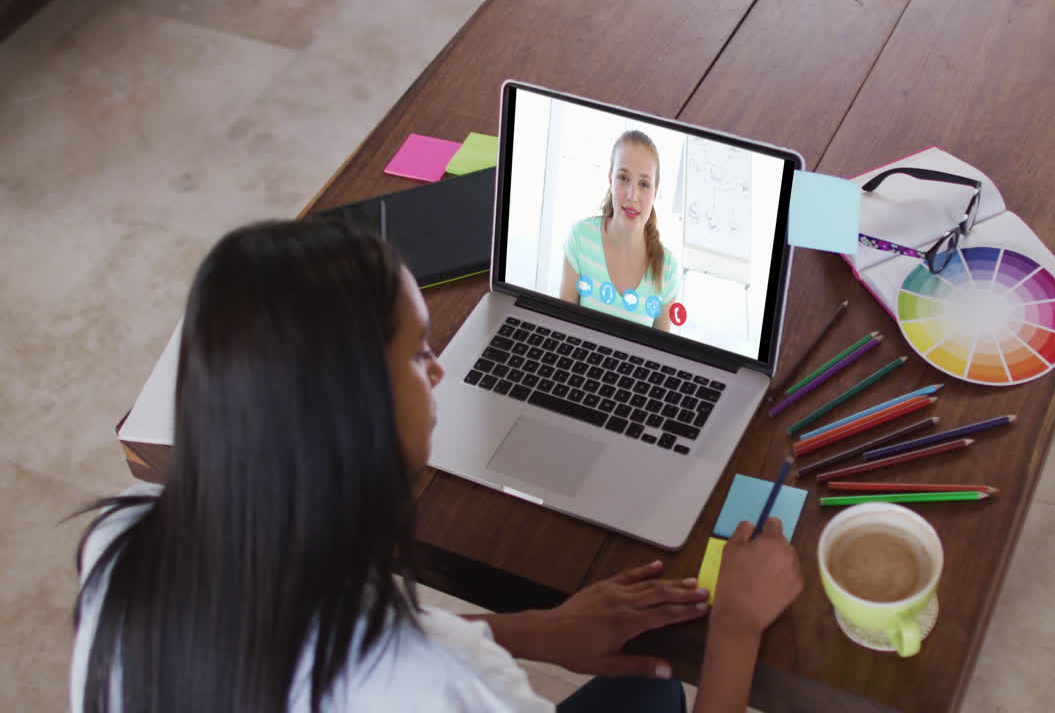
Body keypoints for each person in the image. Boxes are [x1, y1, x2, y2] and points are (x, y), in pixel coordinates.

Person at [71, 219, 802, 713]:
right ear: (358, 414)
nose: (442, 373)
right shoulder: (443, 687)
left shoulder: (123, 546)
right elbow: (411, 668)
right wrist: (735, 626)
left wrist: (534, 631)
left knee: (645, 692)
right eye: (421, 354)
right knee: (661, 690)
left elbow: (321, 639)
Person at [559, 130, 680, 331]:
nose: (632, 195)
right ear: (610, 180)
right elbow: (561, 325)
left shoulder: (668, 269)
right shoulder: (581, 238)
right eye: (623, 178)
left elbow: (663, 353)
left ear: (655, 193)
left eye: (644, 184)